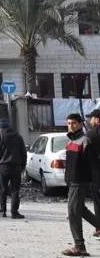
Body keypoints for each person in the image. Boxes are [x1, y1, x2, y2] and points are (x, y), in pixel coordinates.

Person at [61, 113, 97, 257]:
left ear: (81, 124)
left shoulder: (85, 140)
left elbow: (93, 163)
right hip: (72, 181)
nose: (71, 125)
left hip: (80, 181)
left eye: (74, 123)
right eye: (69, 123)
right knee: (80, 210)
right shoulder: (70, 141)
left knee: (73, 213)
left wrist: (94, 182)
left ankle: (79, 247)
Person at [0, 118, 27, 218]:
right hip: (16, 167)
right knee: (15, 190)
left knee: (2, 190)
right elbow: (23, 153)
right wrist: (23, 166)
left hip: (4, 167)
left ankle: (2, 211)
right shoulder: (18, 136)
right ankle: (14, 213)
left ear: (0, 128)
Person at [86, 109, 100, 239]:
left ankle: (99, 227)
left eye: (92, 118)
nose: (90, 121)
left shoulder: (92, 134)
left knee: (97, 200)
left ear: (97, 120)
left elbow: (86, 155)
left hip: (95, 172)